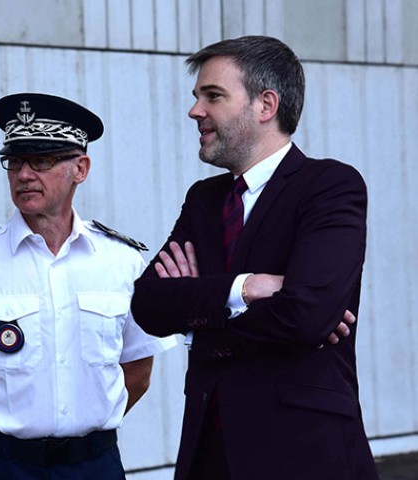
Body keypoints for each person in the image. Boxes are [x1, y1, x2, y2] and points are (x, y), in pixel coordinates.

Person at [130, 36, 378, 479]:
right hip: (210, 454)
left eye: (213, 96)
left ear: (266, 105)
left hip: (303, 455)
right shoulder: (205, 200)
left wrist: (196, 316)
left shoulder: (329, 186)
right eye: (197, 97)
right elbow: (148, 304)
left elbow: (306, 315)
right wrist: (243, 288)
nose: (195, 111)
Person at [0, 92, 177, 479]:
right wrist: (8, 441)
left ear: (81, 168)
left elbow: (137, 370)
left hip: (94, 465)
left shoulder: (122, 262)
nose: (23, 174)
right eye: (14, 161)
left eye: (42, 160)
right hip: (3, 467)